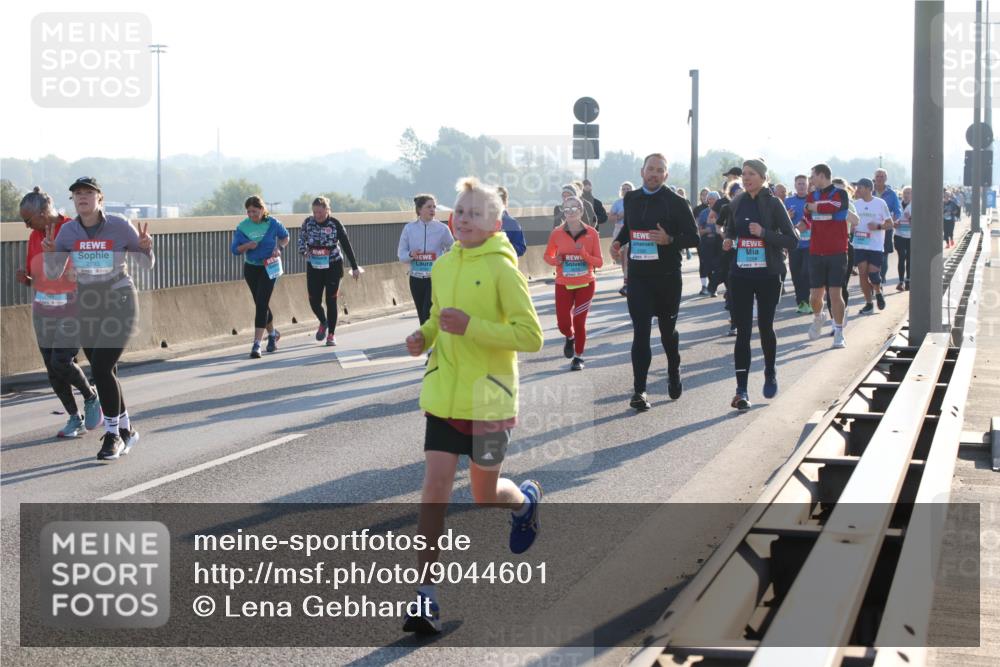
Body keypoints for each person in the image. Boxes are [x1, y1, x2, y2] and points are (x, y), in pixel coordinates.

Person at [402, 177, 544, 634]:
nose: (464, 219)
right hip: (444, 394)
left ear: (495, 223)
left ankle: (523, 503)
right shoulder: (442, 267)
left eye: (475, 214)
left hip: (490, 397)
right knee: (435, 490)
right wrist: (423, 336)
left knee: (485, 495)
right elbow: (436, 318)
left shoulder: (505, 270)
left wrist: (472, 326)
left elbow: (531, 336)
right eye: (460, 211)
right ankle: (425, 596)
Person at [43, 177, 154, 461]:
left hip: (120, 300)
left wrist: (145, 247)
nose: (82, 197)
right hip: (88, 304)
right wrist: (51, 253)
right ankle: (128, 430)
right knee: (107, 371)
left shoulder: (119, 225)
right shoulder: (67, 232)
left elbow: (145, 263)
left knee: (102, 368)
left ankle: (113, 435)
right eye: (77, 194)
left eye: (88, 193)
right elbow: (55, 273)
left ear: (99, 198)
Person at [611, 153, 700, 411]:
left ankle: (674, 368)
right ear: (642, 171)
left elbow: (695, 238)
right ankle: (640, 390)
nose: (654, 174)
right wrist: (619, 242)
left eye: (660, 170)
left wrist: (669, 240)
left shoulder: (676, 201)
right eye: (650, 169)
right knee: (641, 332)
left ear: (666, 175)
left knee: (666, 333)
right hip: (639, 277)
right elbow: (629, 227)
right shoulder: (631, 198)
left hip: (667, 277)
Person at [18, 187, 103, 438]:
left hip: (73, 305)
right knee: (51, 368)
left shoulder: (73, 229)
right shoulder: (35, 236)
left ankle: (90, 396)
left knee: (61, 360)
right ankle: (74, 418)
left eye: (28, 220)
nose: (26, 226)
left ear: (44, 213)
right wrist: (26, 279)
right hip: (43, 307)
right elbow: (39, 275)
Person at [721, 160, 799, 410]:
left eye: (751, 174)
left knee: (765, 327)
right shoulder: (737, 203)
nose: (746, 178)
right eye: (743, 174)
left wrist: (764, 233)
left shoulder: (773, 203)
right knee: (743, 330)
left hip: (767, 274)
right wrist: (729, 241)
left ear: (763, 177)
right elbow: (730, 231)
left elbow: (792, 240)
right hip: (741, 274)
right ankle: (741, 390)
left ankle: (770, 371)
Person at [543, 193, 603, 371]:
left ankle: (578, 357)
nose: (570, 212)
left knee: (579, 321)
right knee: (563, 324)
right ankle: (569, 337)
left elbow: (599, 262)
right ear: (563, 212)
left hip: (586, 283)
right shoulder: (557, 233)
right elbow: (547, 256)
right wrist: (556, 261)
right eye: (566, 209)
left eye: (574, 208)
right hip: (563, 283)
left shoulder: (592, 233)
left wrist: (584, 255)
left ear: (581, 211)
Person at [230, 195, 289, 358]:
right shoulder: (242, 227)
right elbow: (234, 249)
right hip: (251, 268)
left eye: (255, 211)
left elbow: (285, 237)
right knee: (260, 303)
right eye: (248, 212)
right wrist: (248, 245)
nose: (251, 215)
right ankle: (272, 335)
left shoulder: (273, 223)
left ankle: (256, 344)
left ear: (263, 210)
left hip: (269, 267)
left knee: (262, 303)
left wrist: (279, 247)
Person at [299, 196, 362, 346]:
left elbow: (346, 245)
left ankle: (331, 335)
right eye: (314, 212)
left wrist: (354, 267)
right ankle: (323, 321)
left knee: (331, 299)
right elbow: (301, 239)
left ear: (327, 210)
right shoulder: (308, 222)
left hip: (333, 265)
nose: (317, 215)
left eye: (320, 212)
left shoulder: (335, 223)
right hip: (314, 266)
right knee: (313, 300)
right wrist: (304, 251)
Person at [805, 164, 851, 349]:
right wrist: (816, 208)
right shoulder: (812, 195)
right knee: (815, 297)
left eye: (813, 176)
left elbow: (836, 207)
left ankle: (838, 332)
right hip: (816, 251)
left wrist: (816, 207)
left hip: (838, 251)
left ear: (822, 175)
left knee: (835, 293)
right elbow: (808, 213)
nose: (811, 180)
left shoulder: (840, 193)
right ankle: (819, 317)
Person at [398, 194, 453, 326]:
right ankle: (428, 340)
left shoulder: (442, 229)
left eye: (434, 207)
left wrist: (444, 263)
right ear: (419, 209)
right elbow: (401, 255)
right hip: (415, 278)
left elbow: (453, 249)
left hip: (434, 278)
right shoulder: (409, 229)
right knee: (421, 315)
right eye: (429, 207)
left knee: (427, 311)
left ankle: (430, 342)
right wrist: (411, 255)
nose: (432, 209)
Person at [851, 178, 893, 315]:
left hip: (875, 246)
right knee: (862, 274)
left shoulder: (880, 203)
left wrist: (878, 226)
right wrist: (851, 229)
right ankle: (869, 304)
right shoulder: (855, 204)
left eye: (860, 187)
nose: (857, 190)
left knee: (873, 274)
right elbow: (851, 222)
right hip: (859, 244)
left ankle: (878, 292)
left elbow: (890, 224)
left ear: (869, 188)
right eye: (857, 188)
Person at [786, 174, 812, 313]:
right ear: (795, 185)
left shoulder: (812, 200)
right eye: (799, 184)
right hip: (795, 244)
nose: (801, 186)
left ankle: (808, 300)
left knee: (806, 272)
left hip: (810, 244)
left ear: (807, 185)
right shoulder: (788, 201)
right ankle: (801, 303)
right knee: (796, 274)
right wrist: (788, 217)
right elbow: (782, 222)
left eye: (804, 183)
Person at [873, 169, 902, 284]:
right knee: (872, 253)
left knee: (883, 254)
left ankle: (881, 277)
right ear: (874, 178)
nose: (880, 178)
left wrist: (894, 220)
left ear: (886, 178)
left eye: (882, 176)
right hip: (871, 227)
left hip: (885, 227)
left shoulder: (891, 193)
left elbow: (897, 210)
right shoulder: (870, 191)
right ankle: (873, 277)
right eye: (878, 176)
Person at [609, 181, 634, 296]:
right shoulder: (618, 203)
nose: (626, 190)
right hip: (620, 230)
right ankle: (627, 281)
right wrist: (621, 215)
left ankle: (628, 283)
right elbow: (611, 217)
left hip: (632, 231)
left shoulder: (635, 202)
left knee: (628, 258)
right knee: (623, 258)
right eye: (624, 189)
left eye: (628, 188)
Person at [697, 191, 722, 295]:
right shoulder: (703, 213)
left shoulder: (722, 211)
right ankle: (711, 287)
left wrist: (717, 226)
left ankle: (714, 287)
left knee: (718, 265)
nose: (711, 201)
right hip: (706, 242)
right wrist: (706, 231)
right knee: (707, 264)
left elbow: (727, 226)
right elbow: (700, 230)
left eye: (714, 199)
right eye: (710, 199)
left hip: (719, 241)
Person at [497, 186, 526, 257]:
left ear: (504, 202)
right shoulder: (482, 222)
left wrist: (504, 245)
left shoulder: (512, 223)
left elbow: (521, 249)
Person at [894, 186, 913, 290]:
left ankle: (908, 281)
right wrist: (894, 224)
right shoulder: (898, 205)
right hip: (899, 235)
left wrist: (910, 218)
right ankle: (901, 281)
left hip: (911, 236)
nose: (906, 194)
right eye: (905, 192)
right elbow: (892, 219)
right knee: (901, 257)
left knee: (909, 259)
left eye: (909, 193)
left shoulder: (915, 205)